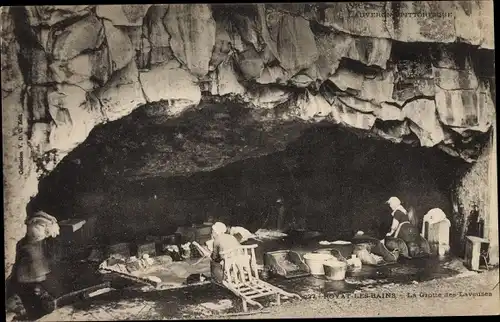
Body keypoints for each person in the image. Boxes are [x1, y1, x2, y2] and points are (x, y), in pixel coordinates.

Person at [8, 211, 60, 320]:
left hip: (31, 271)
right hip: (27, 275)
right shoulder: (34, 233)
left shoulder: (39, 234)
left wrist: (50, 220)